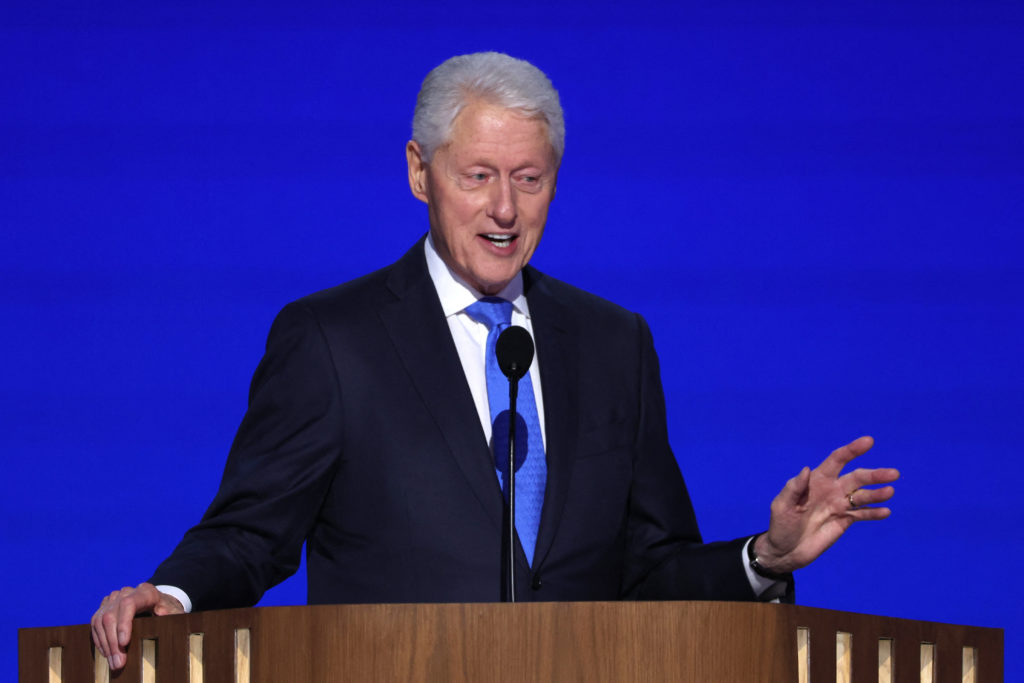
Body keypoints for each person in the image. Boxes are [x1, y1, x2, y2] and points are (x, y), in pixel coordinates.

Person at [91, 52, 898, 671]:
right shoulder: (333, 339)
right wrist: (173, 594)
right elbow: (251, 531)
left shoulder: (614, 342)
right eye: (478, 177)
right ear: (419, 173)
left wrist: (765, 557)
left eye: (529, 179)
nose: (505, 209)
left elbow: (651, 574)